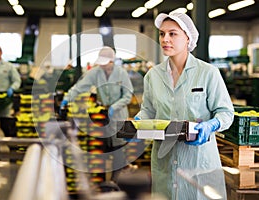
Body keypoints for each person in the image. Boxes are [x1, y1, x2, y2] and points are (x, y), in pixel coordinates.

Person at [134, 13, 234, 199]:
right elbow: (148, 110)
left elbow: (226, 113)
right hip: (165, 160)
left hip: (199, 162)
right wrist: (139, 123)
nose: (165, 39)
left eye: (173, 34)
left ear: (188, 38)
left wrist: (210, 125)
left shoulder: (208, 73)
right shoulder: (153, 76)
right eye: (162, 34)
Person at [60, 46, 134, 182]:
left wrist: (114, 107)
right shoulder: (95, 72)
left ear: (111, 61)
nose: (102, 65)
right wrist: (67, 97)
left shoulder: (121, 73)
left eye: (105, 62)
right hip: (102, 117)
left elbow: (128, 95)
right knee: (103, 149)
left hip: (118, 115)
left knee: (118, 150)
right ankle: (102, 183)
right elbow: (80, 87)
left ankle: (116, 182)